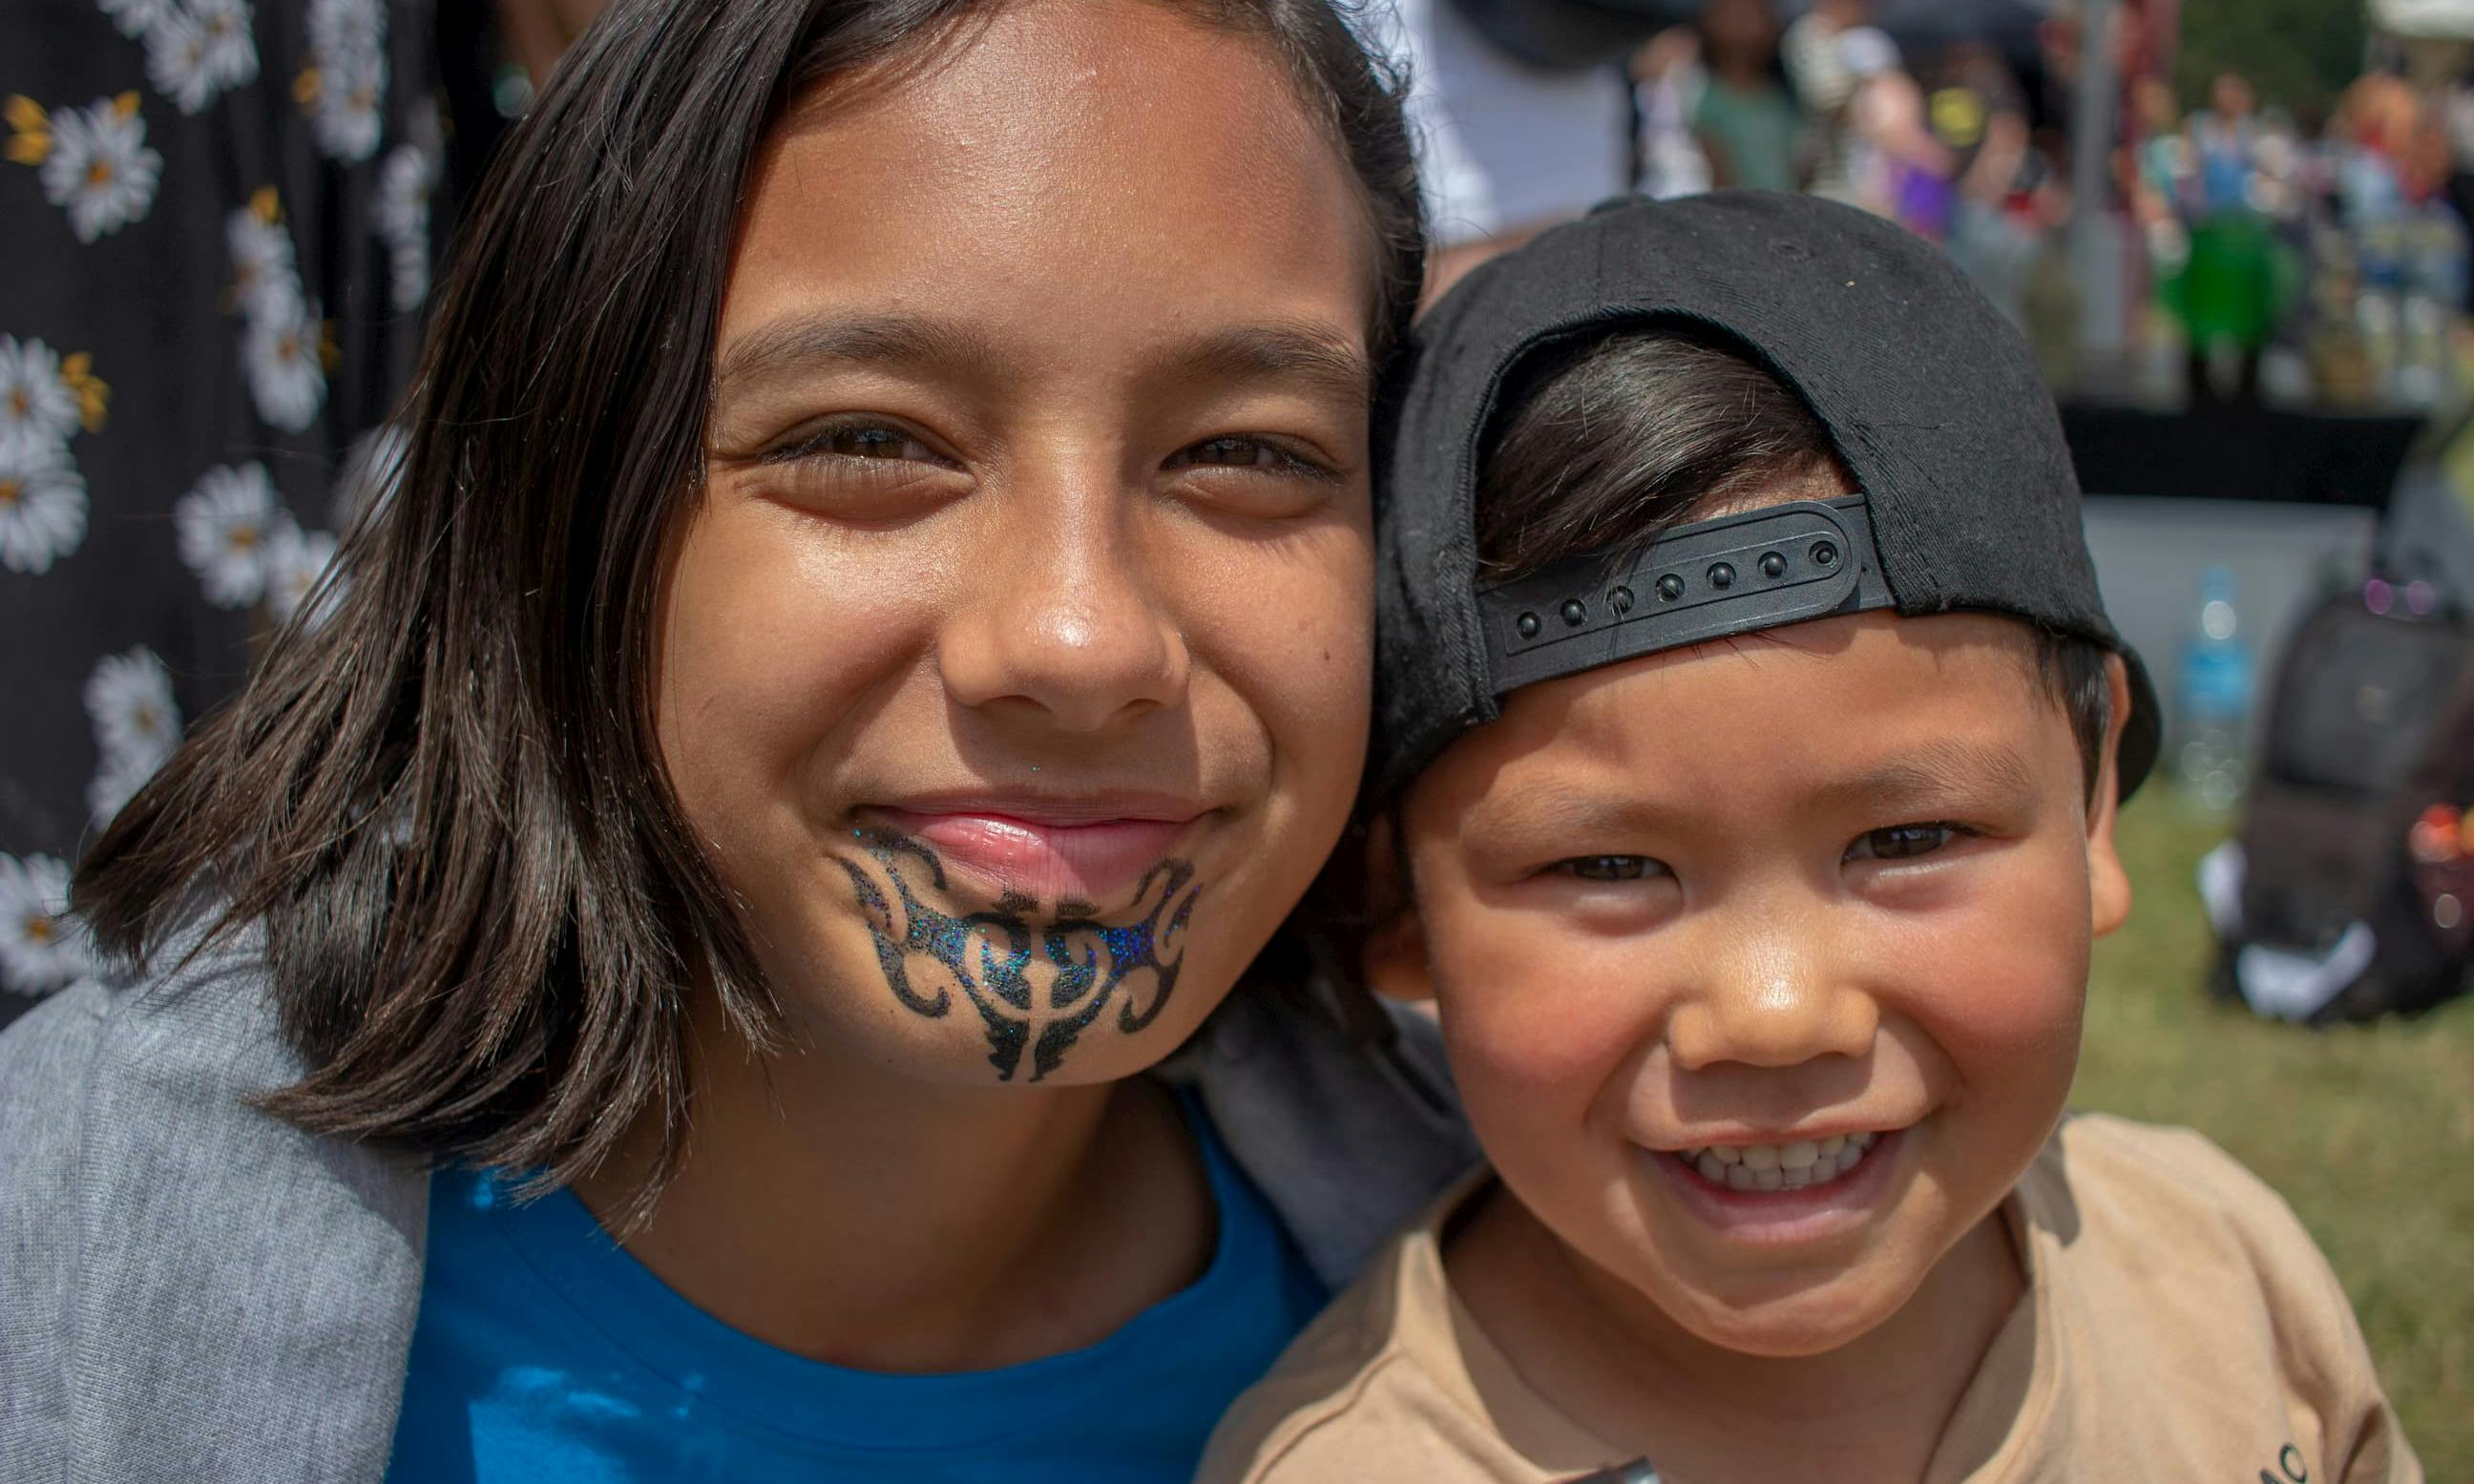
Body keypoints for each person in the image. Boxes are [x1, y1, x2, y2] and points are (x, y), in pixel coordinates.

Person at [0, 1, 1479, 1479]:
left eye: (1249, 453)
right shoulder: (64, 1276)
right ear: (570, 505)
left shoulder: (1563, 1310)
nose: (1081, 643)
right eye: (870, 441)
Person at [1200, 192, 2422, 1482]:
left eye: (1908, 839)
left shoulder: (2228, 1280)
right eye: (1609, 867)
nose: (1777, 1015)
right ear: (1398, 906)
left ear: (2092, 798)